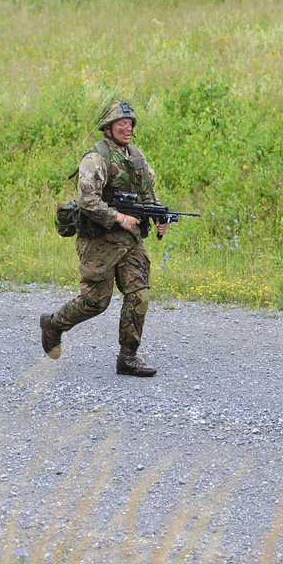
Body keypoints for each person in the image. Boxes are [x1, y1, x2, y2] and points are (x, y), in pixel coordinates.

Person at [39, 98, 170, 377]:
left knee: (140, 295)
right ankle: (54, 323)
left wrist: (159, 216)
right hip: (99, 240)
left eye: (130, 123)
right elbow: (88, 200)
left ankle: (128, 356)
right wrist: (119, 218)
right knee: (95, 302)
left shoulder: (136, 155)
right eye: (122, 124)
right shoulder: (95, 158)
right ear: (108, 128)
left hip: (130, 241)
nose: (128, 128)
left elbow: (148, 194)